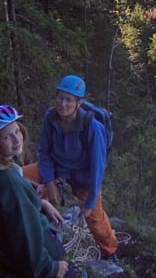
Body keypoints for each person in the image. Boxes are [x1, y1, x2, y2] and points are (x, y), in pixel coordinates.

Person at [23, 75, 119, 260]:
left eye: (69, 99)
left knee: (96, 218)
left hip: (84, 176)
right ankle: (29, 228)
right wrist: (50, 184)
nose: (63, 104)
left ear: (78, 103)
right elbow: (44, 152)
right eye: (60, 97)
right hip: (57, 168)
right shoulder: (51, 117)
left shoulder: (93, 128)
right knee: (21, 179)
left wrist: (90, 203)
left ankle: (110, 249)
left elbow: (98, 168)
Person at [0, 104, 73, 278]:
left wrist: (42, 203)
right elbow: (27, 234)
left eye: (17, 131)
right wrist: (52, 268)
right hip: (17, 253)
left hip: (0, 241)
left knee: (49, 215)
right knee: (63, 253)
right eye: (6, 136)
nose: (16, 139)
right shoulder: (11, 186)